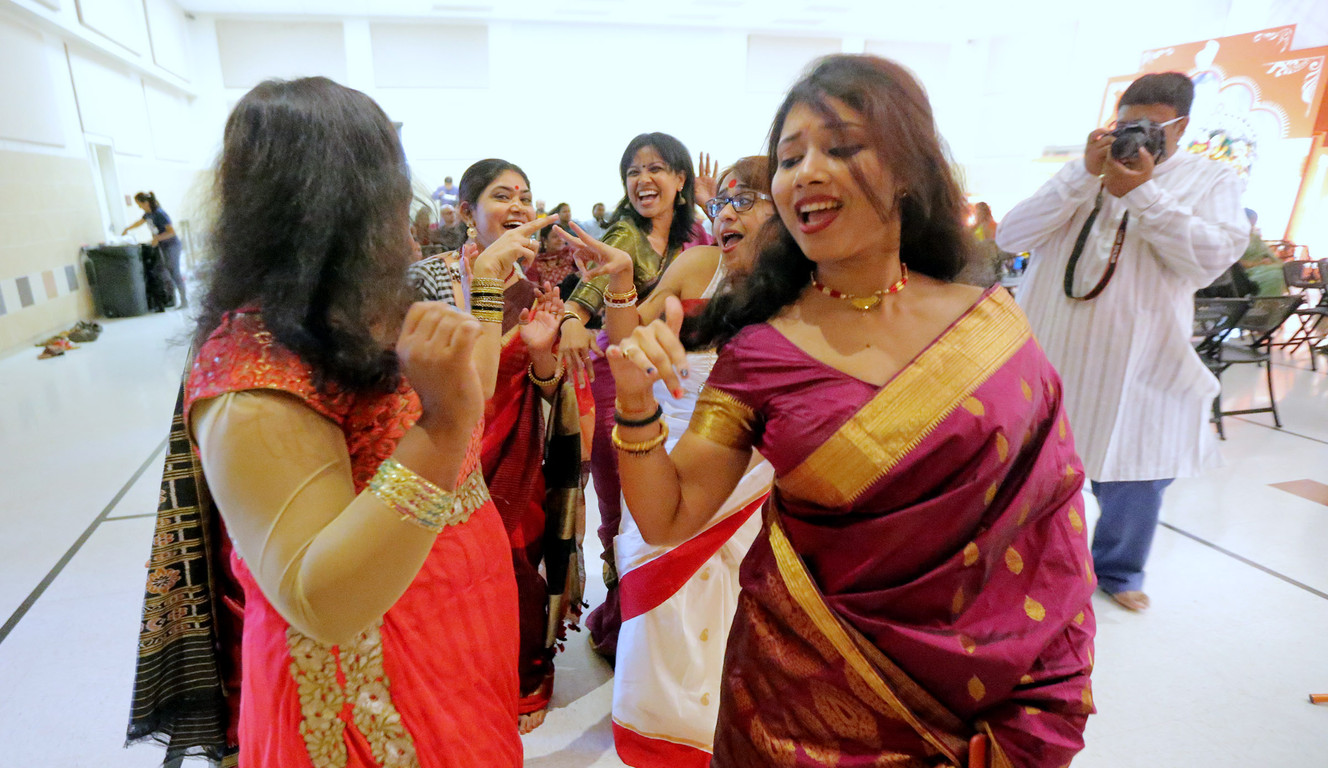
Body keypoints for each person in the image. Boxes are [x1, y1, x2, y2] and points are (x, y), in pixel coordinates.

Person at [603, 55, 1097, 767]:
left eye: (841, 148)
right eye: (789, 156)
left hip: (983, 706)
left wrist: (1042, 699)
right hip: (793, 710)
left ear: (907, 169)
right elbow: (669, 515)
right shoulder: (761, 349)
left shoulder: (989, 325)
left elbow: (1050, 518)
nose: (805, 171)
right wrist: (637, 405)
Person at [185, 77, 526, 766]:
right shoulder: (252, 372)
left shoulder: (374, 301)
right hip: (364, 686)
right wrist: (439, 426)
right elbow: (325, 600)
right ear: (337, 201)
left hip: (454, 631)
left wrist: (486, 290)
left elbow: (473, 388)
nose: (405, 209)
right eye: (388, 185)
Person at [997, 71, 1248, 613]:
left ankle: (1119, 570)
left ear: (1180, 126)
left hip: (1144, 359)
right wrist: (1079, 176)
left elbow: (1208, 259)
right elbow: (1011, 236)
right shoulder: (1081, 173)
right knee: (1036, 471)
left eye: (1152, 127)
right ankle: (1026, 567)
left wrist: (1145, 194)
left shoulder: (1212, 182)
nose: (1137, 136)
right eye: (1126, 123)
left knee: (1140, 469)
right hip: (1052, 350)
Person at [564, 156, 775, 766]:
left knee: (735, 607)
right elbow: (630, 336)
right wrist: (622, 283)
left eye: (747, 198)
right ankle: (658, 739)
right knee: (657, 603)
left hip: (751, 467)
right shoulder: (700, 265)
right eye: (724, 201)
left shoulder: (805, 289)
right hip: (663, 443)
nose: (729, 210)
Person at [412, 158, 580, 734]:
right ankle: (457, 676)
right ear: (465, 212)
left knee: (516, 563)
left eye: (526, 197)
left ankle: (524, 677)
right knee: (445, 574)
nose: (518, 208)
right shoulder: (431, 278)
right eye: (502, 196)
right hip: (444, 443)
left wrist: (540, 353)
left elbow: (551, 384)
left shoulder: (535, 289)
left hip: (515, 449)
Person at [558, 131, 714, 659]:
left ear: (680, 179)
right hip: (616, 379)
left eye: (656, 169)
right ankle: (625, 610)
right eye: (633, 171)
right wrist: (571, 321)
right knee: (620, 497)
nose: (643, 180)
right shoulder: (624, 237)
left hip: (677, 386)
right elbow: (581, 303)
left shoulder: (694, 238)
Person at [122, 191, 187, 307]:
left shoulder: (159, 214)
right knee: (166, 272)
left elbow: (171, 232)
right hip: (163, 246)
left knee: (174, 271)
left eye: (139, 204)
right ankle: (172, 300)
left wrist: (158, 238)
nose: (139, 207)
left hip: (172, 245)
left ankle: (184, 300)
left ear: (146, 202)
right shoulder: (148, 214)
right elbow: (140, 222)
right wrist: (128, 229)